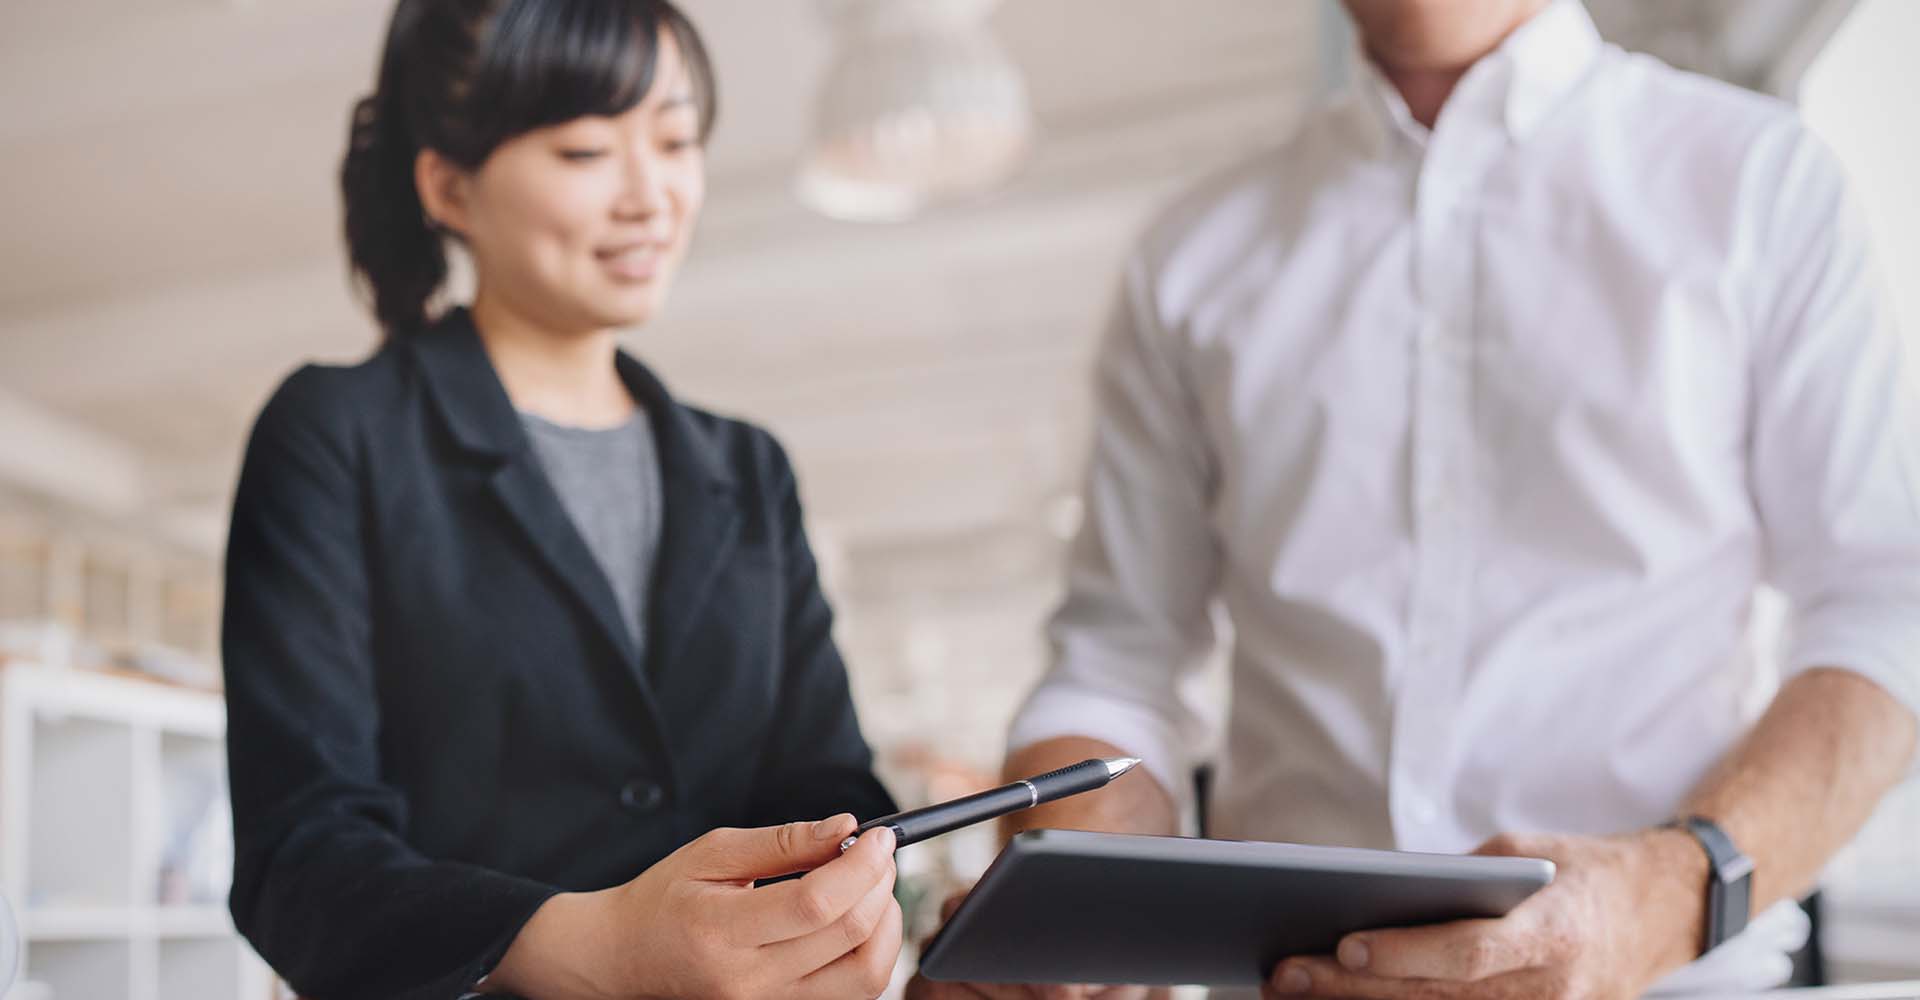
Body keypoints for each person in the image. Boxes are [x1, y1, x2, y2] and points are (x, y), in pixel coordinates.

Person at [909, 1, 1920, 998]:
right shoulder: (1191, 257)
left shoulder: (1758, 182)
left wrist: (1659, 898)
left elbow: (1887, 608)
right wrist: (1077, 917)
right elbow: (1116, 663)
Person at [221, 2, 904, 998]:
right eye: (587, 149)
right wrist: (597, 947)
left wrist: (856, 899)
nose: (652, 194)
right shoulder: (341, 432)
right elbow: (301, 851)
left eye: (675, 139)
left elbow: (828, 785)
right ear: (449, 186)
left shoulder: (749, 471)